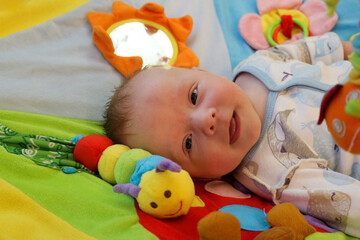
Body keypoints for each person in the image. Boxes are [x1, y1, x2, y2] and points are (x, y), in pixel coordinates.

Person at [103, 32, 360, 237]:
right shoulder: (275, 176)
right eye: (188, 143)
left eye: (194, 96)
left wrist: (336, 48)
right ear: (201, 177)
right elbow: (345, 202)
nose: (206, 120)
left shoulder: (252, 68)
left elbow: (292, 51)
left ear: (202, 73)